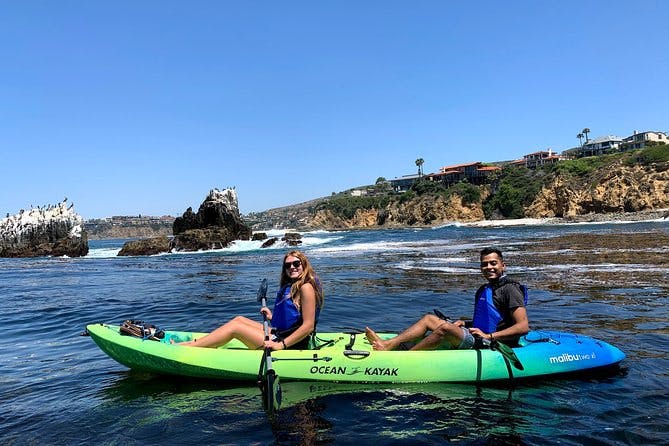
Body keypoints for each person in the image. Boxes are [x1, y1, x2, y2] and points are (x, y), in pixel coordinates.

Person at [365, 247, 529, 351]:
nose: (489, 267)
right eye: (484, 264)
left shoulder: (510, 289)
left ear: (503, 265)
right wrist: (464, 323)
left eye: (493, 263)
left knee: (445, 329)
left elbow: (522, 327)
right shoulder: (484, 289)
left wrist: (489, 337)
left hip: (493, 343)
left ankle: (406, 359)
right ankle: (389, 344)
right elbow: (491, 319)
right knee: (430, 319)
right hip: (478, 335)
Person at [178, 250, 323, 350]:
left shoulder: (306, 287)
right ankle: (195, 342)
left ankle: (191, 348)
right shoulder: (293, 286)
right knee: (239, 319)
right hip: (282, 334)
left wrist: (281, 345)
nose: (292, 267)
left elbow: (308, 326)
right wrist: (272, 316)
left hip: (291, 343)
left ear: (304, 264)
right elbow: (292, 319)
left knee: (235, 328)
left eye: (296, 264)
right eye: (287, 265)